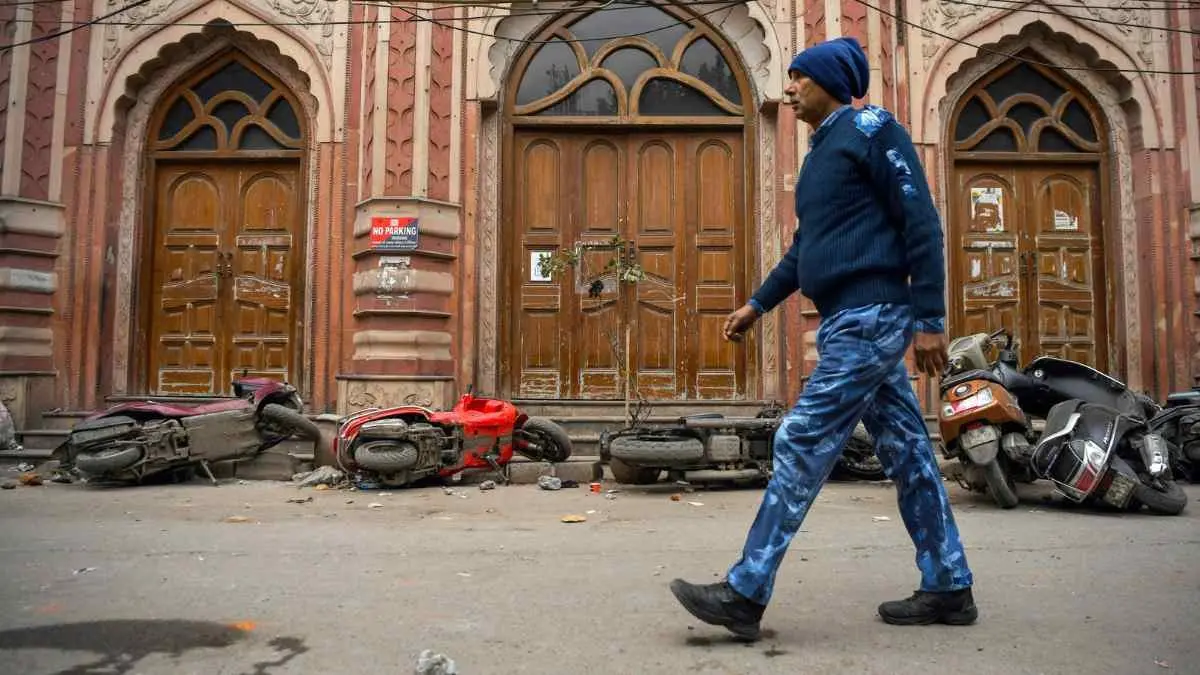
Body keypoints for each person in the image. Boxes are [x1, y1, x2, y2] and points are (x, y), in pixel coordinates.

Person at [668, 36, 976, 641]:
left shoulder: (872, 130)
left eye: (798, 77)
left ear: (830, 81)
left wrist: (930, 319)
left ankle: (745, 591)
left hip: (872, 316)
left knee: (801, 436)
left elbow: (921, 221)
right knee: (908, 452)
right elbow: (806, 248)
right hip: (846, 318)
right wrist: (757, 305)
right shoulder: (818, 155)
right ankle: (948, 584)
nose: (788, 89)